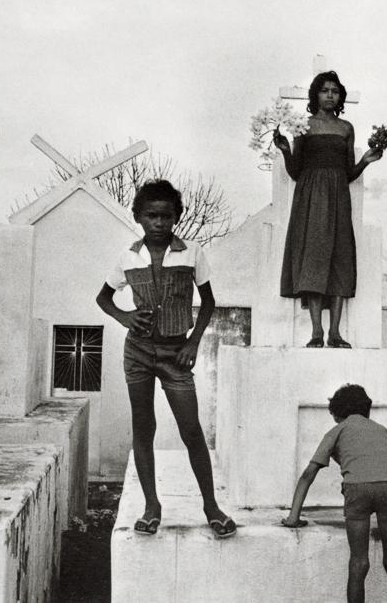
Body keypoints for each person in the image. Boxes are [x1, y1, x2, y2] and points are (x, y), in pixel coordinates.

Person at [96, 180, 235, 538]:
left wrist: (193, 344)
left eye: (166, 216)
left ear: (176, 217)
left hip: (176, 354)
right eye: (151, 215)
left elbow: (208, 303)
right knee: (144, 428)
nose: (159, 222)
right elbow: (104, 298)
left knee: (191, 429)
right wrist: (125, 317)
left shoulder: (191, 253)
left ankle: (212, 507)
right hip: (138, 352)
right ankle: (151, 506)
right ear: (139, 217)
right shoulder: (128, 257)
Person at [281, 383, 387, 603]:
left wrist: (293, 517)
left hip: (356, 490)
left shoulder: (337, 430)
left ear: (338, 413)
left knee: (359, 561)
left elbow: (308, 475)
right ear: (366, 408)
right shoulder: (383, 431)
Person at [273, 71, 383, 348]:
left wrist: (366, 161)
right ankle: (316, 332)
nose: (330, 95)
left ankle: (335, 332)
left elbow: (348, 172)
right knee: (313, 259)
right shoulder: (304, 126)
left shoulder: (346, 128)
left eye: (335, 90)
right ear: (316, 95)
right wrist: (286, 150)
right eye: (325, 90)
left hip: (338, 195)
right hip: (310, 195)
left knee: (339, 258)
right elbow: (296, 171)